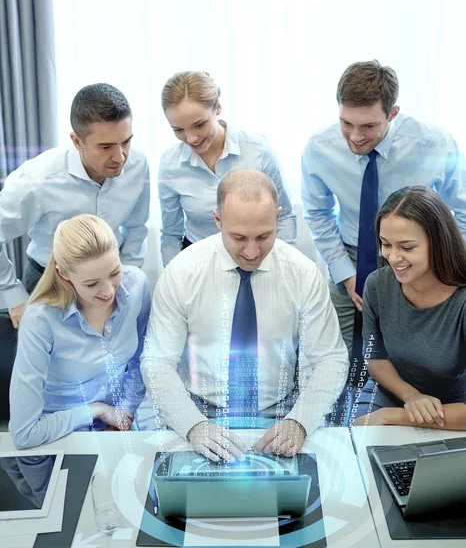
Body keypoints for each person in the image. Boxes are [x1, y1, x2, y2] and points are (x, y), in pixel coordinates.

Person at [142, 170, 348, 462]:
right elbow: (157, 362)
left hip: (281, 412)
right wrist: (193, 425)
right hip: (200, 411)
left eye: (263, 236)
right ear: (217, 220)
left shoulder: (303, 274)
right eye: (238, 237)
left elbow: (330, 358)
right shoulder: (181, 272)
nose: (252, 252)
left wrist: (300, 420)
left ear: (278, 218)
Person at [301, 60, 466, 354]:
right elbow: (317, 213)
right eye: (346, 123)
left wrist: (445, 263)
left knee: (409, 351)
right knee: (336, 353)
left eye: (368, 126)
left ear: (393, 113)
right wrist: (346, 273)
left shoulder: (434, 144)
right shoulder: (319, 148)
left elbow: (463, 209)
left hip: (419, 256)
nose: (355, 136)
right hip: (351, 256)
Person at [0, 83, 150, 328]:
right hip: (51, 284)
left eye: (126, 142)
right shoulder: (36, 179)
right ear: (77, 141)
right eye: (106, 147)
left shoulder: (139, 165)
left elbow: (137, 227)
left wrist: (125, 279)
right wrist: (13, 296)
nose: (120, 157)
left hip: (109, 282)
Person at [9, 214, 151, 449]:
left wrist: (124, 411)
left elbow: (142, 358)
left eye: (115, 272)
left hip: (117, 427)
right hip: (59, 436)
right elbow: (24, 434)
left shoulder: (137, 285)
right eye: (91, 283)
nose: (108, 291)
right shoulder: (41, 319)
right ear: (63, 274)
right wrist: (96, 411)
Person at [352, 186, 466, 430]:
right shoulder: (377, 284)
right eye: (386, 244)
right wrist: (411, 396)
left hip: (456, 405)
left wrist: (394, 416)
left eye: (406, 247)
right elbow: (375, 359)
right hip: (392, 389)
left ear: (438, 243)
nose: (393, 257)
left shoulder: (462, 300)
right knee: (358, 441)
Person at [159, 71, 297, 267]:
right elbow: (171, 234)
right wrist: (172, 278)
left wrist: (282, 268)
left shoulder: (258, 151)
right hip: (198, 263)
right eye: (178, 130)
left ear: (217, 108)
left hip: (257, 257)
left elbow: (285, 217)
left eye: (199, 125)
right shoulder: (170, 165)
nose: (191, 138)